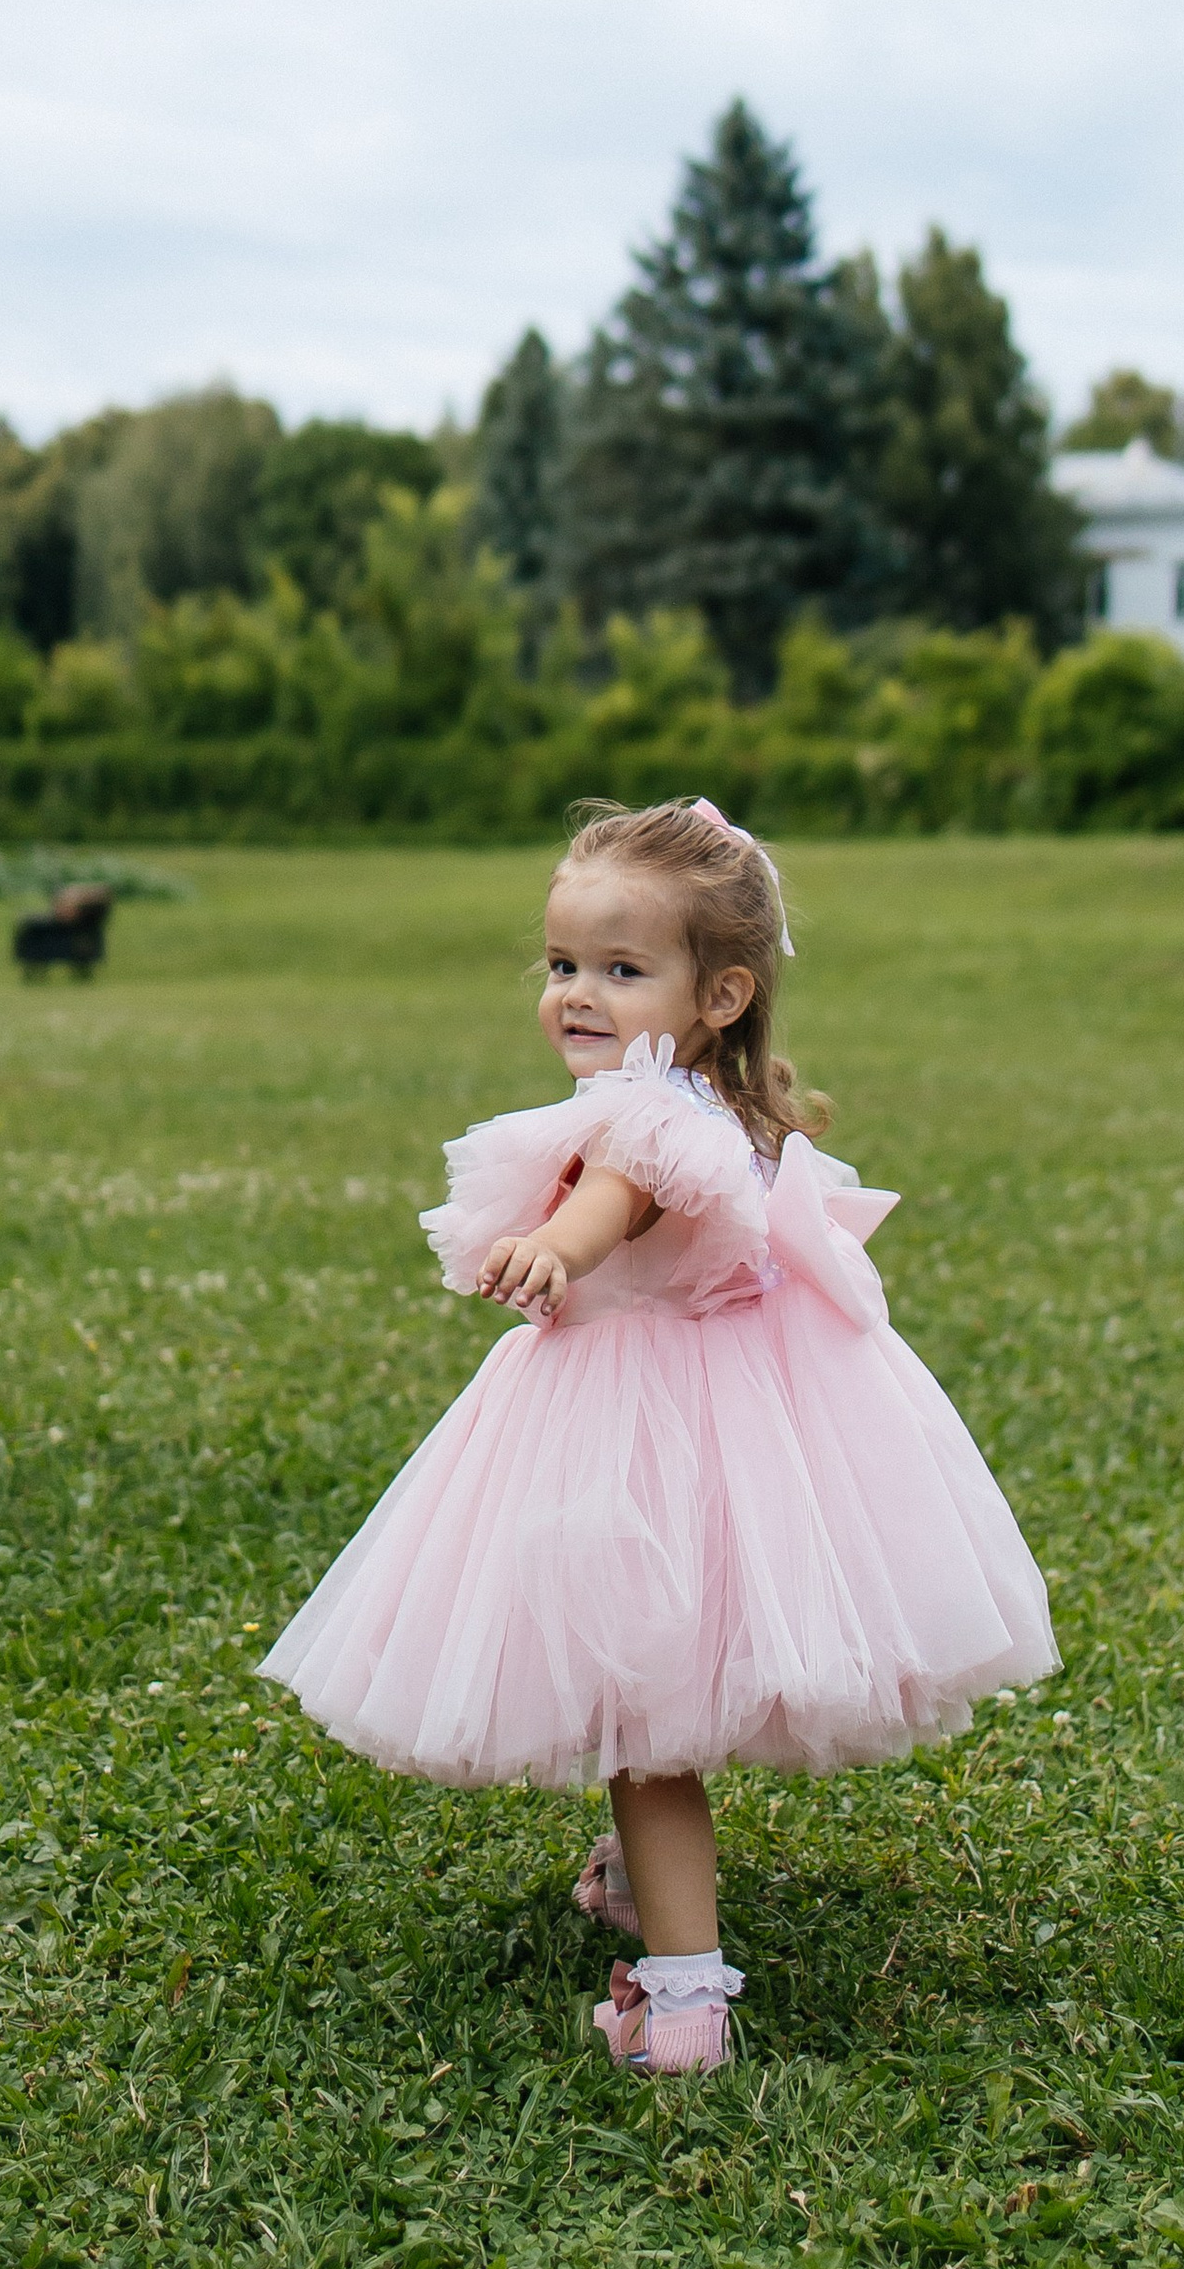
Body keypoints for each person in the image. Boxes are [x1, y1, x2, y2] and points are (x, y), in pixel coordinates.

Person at [260, 795, 1058, 2072]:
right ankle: (643, 1886)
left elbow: (607, 1216)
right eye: (563, 964)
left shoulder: (639, 1124)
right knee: (662, 1697)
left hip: (639, 1424)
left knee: (641, 1721)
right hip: (738, 1414)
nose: (577, 993)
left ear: (720, 993)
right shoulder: (711, 1104)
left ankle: (682, 2001)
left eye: (622, 971)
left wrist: (546, 1246)